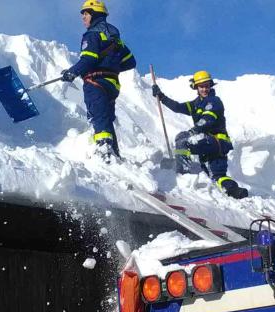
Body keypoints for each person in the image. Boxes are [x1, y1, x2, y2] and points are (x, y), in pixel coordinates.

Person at [151, 71, 249, 199]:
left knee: (183, 140)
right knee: (216, 176)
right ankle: (234, 191)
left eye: (207, 86)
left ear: (210, 86)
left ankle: (182, 176)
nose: (204, 89)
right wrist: (161, 97)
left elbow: (208, 119)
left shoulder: (213, 101)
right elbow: (177, 107)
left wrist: (193, 131)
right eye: (201, 86)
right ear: (196, 87)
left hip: (216, 141)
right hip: (210, 145)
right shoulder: (196, 103)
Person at [60, 0, 136, 160]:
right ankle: (114, 153)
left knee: (98, 115)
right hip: (112, 84)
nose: (83, 18)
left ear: (94, 14)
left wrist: (71, 73)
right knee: (106, 117)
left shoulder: (92, 34)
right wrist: (111, 67)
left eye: (85, 14)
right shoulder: (115, 38)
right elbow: (130, 62)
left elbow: (88, 59)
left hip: (96, 82)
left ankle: (104, 153)